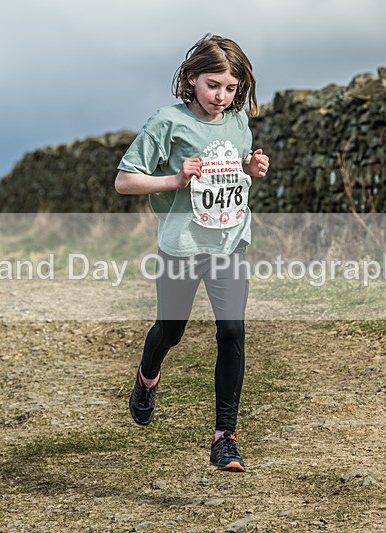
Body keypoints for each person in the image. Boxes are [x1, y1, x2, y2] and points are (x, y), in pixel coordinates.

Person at [115, 35, 269, 472]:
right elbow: (125, 181)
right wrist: (173, 180)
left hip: (229, 243)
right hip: (181, 248)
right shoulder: (167, 122)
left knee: (232, 332)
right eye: (213, 84)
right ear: (190, 78)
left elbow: (230, 173)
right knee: (171, 331)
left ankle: (225, 438)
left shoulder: (239, 122)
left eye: (231, 88)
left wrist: (250, 169)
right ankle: (147, 376)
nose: (222, 96)